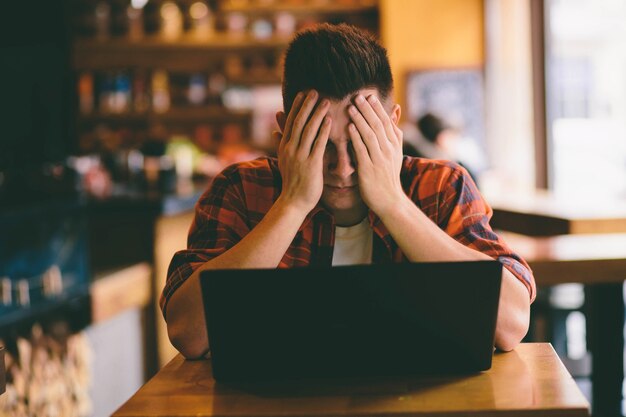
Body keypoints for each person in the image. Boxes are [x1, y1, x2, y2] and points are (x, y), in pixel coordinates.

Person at [161, 23, 536, 359]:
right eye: (321, 145)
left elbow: (510, 324)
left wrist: (393, 205)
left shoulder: (441, 186)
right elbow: (188, 334)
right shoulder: (241, 189)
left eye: (360, 145)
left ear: (392, 125)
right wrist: (292, 205)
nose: (342, 170)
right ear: (285, 129)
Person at [404, 112, 480, 185]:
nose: (455, 141)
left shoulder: (411, 162)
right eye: (452, 136)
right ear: (442, 139)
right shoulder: (454, 170)